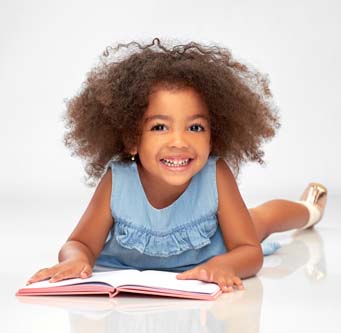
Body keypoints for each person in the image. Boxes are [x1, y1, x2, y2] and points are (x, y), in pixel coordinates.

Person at [27, 38, 327, 293]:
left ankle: (311, 209)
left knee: (261, 219)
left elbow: (249, 252)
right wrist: (74, 259)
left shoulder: (214, 174)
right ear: (133, 138)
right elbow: (79, 242)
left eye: (195, 128)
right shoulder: (117, 180)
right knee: (254, 219)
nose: (179, 142)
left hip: (217, 242)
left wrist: (221, 265)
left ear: (214, 134)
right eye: (160, 127)